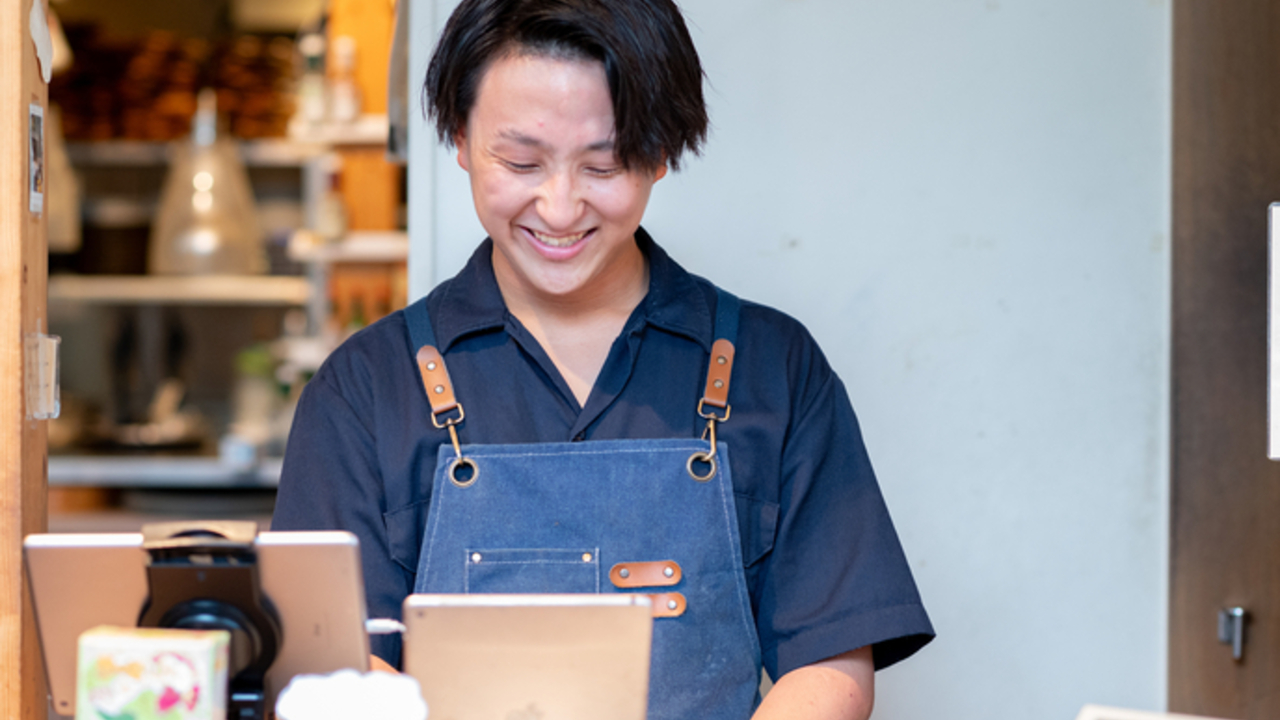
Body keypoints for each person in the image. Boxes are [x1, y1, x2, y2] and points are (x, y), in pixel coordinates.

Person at [272, 1, 934, 718]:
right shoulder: (366, 388)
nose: (560, 209)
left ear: (662, 150)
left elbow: (829, 663)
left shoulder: (773, 368)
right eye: (521, 162)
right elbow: (330, 662)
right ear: (460, 137)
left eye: (604, 164)